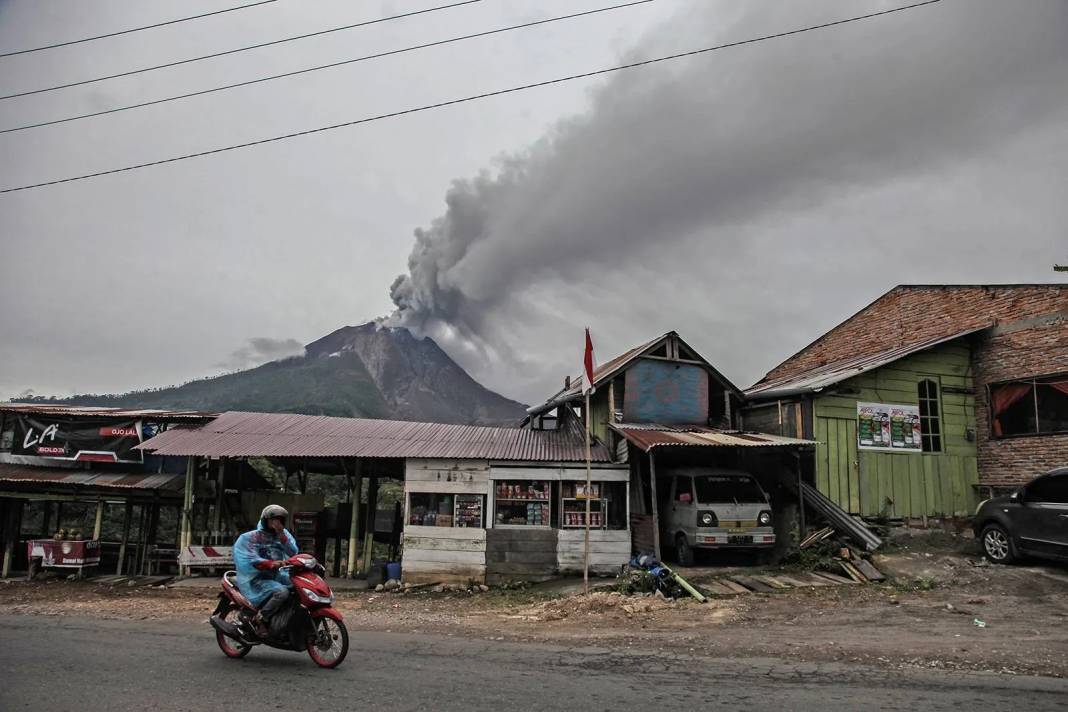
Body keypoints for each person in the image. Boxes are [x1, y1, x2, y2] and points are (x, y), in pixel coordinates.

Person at [233, 504, 298, 637]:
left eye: (280, 520)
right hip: (256, 579)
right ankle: (260, 618)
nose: (277, 523)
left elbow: (293, 552)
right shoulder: (251, 537)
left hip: (276, 575)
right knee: (282, 592)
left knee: (297, 587)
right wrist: (269, 563)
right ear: (265, 520)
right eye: (273, 519)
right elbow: (247, 558)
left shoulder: (283, 535)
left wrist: (281, 534)